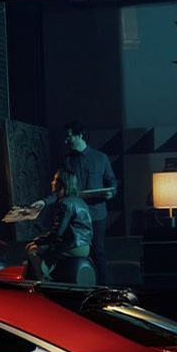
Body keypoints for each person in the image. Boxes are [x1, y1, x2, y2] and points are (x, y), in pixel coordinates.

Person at [60, 120, 117, 284]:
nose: (66, 140)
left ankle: (103, 289)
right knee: (76, 253)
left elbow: (112, 182)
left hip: (97, 214)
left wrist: (110, 193)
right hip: (76, 217)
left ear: (80, 135)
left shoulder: (100, 158)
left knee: (98, 252)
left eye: (69, 136)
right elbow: (61, 188)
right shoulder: (67, 160)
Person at [25, 171, 93, 281]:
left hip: (72, 246)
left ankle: (42, 282)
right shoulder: (80, 201)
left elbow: (57, 233)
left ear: (62, 184)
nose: (52, 182)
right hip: (84, 246)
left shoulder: (65, 204)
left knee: (32, 250)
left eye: (55, 180)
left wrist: (38, 241)